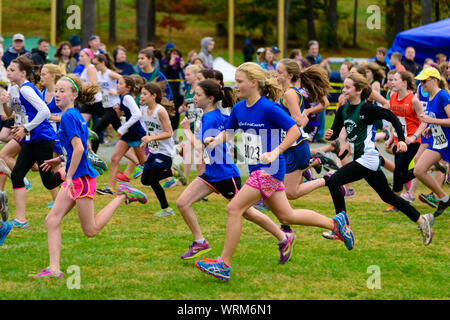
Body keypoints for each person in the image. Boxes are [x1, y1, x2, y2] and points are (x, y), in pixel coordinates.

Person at [195, 62, 355, 282]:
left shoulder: (269, 107)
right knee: (286, 215)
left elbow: (293, 129)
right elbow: (229, 132)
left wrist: (276, 151)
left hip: (270, 169)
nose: (236, 85)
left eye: (240, 81)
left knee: (234, 208)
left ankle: (224, 264)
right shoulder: (240, 108)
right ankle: (336, 224)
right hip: (257, 169)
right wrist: (215, 140)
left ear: (254, 83)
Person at [28, 75, 148, 279]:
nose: (57, 94)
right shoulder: (72, 114)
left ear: (74, 95)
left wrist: (68, 176)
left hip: (80, 179)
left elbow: (79, 148)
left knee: (90, 230)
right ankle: (54, 270)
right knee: (52, 220)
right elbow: (81, 147)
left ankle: (122, 195)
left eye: (62, 91)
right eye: (56, 90)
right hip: (76, 176)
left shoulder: (69, 116)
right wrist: (60, 162)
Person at [177, 79, 291, 262]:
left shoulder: (212, 118)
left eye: (198, 95)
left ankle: (283, 237)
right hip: (212, 173)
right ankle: (200, 241)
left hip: (225, 174)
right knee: (183, 202)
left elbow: (199, 147)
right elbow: (228, 128)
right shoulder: (212, 116)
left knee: (247, 212)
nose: (194, 98)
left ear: (211, 98)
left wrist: (186, 131)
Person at [323, 72, 434, 246]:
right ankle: (422, 220)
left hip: (369, 158)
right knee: (387, 196)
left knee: (334, 181)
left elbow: (392, 117)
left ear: (358, 90)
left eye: (347, 87)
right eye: (343, 86)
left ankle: (341, 227)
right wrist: (331, 134)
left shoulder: (367, 109)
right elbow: (335, 132)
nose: (343, 90)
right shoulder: (343, 109)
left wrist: (402, 140)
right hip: (362, 159)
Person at [7, 55, 65, 229]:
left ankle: (70, 168)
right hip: (33, 138)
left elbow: (45, 111)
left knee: (48, 181)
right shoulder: (20, 89)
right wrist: (23, 127)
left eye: (12, 70)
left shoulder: (25, 89)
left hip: (43, 139)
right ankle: (20, 220)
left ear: (23, 73)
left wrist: (26, 128)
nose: (8, 73)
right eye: (8, 70)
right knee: (17, 175)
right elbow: (32, 114)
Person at [100, 76, 146, 195]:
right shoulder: (122, 98)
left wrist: (122, 128)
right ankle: (110, 189)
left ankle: (169, 175)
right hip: (128, 134)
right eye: (117, 83)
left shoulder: (127, 98)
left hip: (136, 133)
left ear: (128, 87)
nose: (117, 85)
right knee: (115, 158)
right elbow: (128, 115)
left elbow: (137, 115)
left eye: (120, 84)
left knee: (144, 163)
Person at [414, 67, 450, 218]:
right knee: (419, 170)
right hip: (440, 143)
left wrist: (431, 121)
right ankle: (444, 198)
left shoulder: (443, 95)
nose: (422, 84)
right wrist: (430, 127)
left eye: (424, 81)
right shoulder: (430, 96)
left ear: (435, 80)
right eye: (420, 81)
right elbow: (435, 118)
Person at [384, 71, 423, 207]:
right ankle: (426, 168)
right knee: (400, 173)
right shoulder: (393, 97)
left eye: (395, 80)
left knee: (398, 172)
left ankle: (395, 203)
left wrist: (414, 137)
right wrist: (390, 138)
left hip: (411, 142)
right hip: (397, 141)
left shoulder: (413, 100)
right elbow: (394, 121)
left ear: (404, 83)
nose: (391, 82)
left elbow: (423, 121)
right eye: (391, 80)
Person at [140, 83, 177, 217]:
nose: (141, 96)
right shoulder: (144, 111)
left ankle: (166, 209)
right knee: (145, 180)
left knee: (153, 180)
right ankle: (172, 172)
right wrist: (146, 141)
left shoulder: (160, 111)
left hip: (165, 151)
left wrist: (151, 138)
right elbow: (151, 130)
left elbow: (169, 132)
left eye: (144, 94)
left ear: (154, 96)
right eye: (141, 93)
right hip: (154, 150)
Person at [90, 53, 122, 154]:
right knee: (121, 131)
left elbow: (123, 80)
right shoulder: (99, 74)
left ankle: (94, 155)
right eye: (93, 64)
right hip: (105, 106)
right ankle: (135, 145)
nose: (95, 66)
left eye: (96, 64)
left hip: (113, 106)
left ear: (103, 63)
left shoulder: (110, 73)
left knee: (96, 130)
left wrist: (117, 92)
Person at [160, 47, 185, 131]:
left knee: (176, 117)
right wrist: (170, 65)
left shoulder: (180, 66)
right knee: (167, 116)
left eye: (177, 54)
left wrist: (182, 67)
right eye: (173, 54)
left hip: (178, 95)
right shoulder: (165, 63)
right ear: (169, 55)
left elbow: (184, 79)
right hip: (168, 94)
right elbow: (162, 75)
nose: (175, 56)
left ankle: (174, 135)